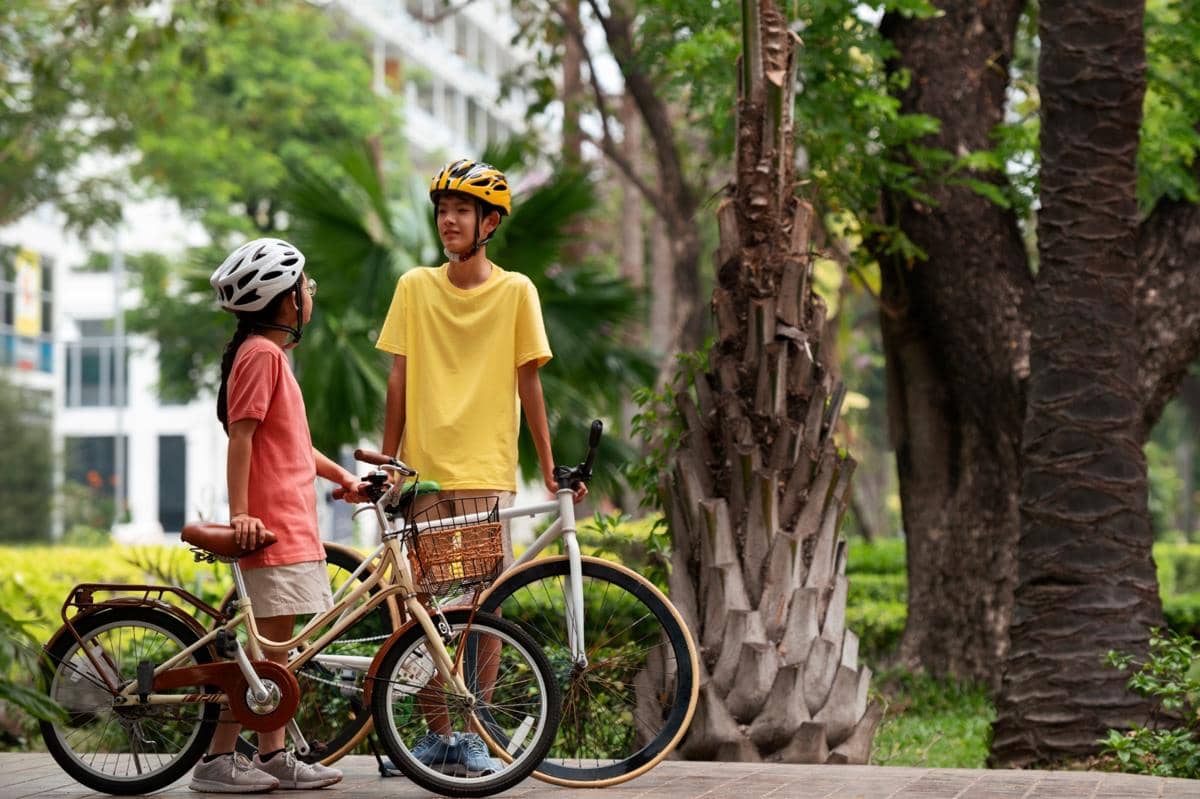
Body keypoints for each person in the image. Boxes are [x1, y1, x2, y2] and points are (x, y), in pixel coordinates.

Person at [375, 158, 586, 775]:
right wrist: (391, 462)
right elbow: (398, 377)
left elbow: (530, 385)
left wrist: (548, 468)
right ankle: (434, 738)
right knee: (423, 610)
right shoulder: (415, 285)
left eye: (461, 211)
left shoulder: (517, 291)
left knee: (485, 611)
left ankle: (474, 733)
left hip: (488, 469)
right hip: (423, 473)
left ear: (489, 221)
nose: (448, 221)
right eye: (443, 211)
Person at [190, 238, 364, 794]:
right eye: (305, 285)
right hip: (269, 530)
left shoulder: (270, 356)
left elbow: (293, 448)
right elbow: (240, 439)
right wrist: (241, 516)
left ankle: (272, 756)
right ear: (287, 301)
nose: (310, 292)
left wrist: (345, 479)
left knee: (274, 657)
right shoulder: (262, 355)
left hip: (289, 526)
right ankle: (216, 763)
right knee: (267, 655)